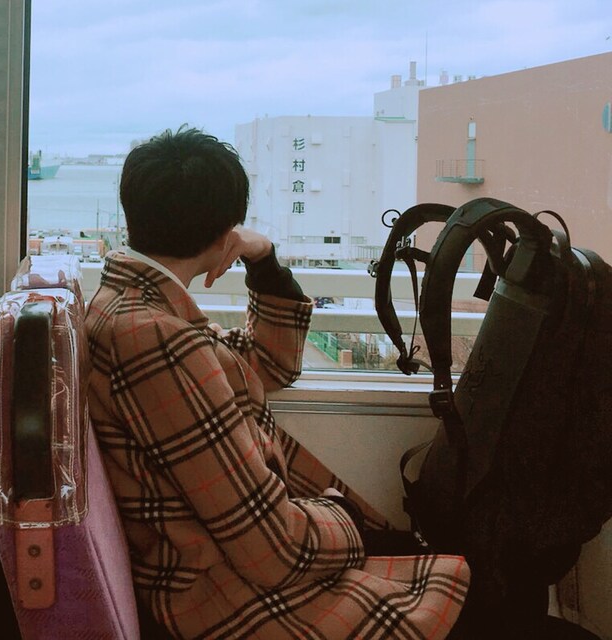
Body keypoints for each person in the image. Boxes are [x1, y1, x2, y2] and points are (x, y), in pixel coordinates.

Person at [85, 125, 470, 639]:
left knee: (453, 570)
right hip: (224, 594)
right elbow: (275, 550)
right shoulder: (157, 338)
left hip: (234, 565)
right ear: (223, 232)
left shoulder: (131, 307)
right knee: (477, 592)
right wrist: (345, 516)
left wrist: (264, 260)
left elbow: (267, 365)